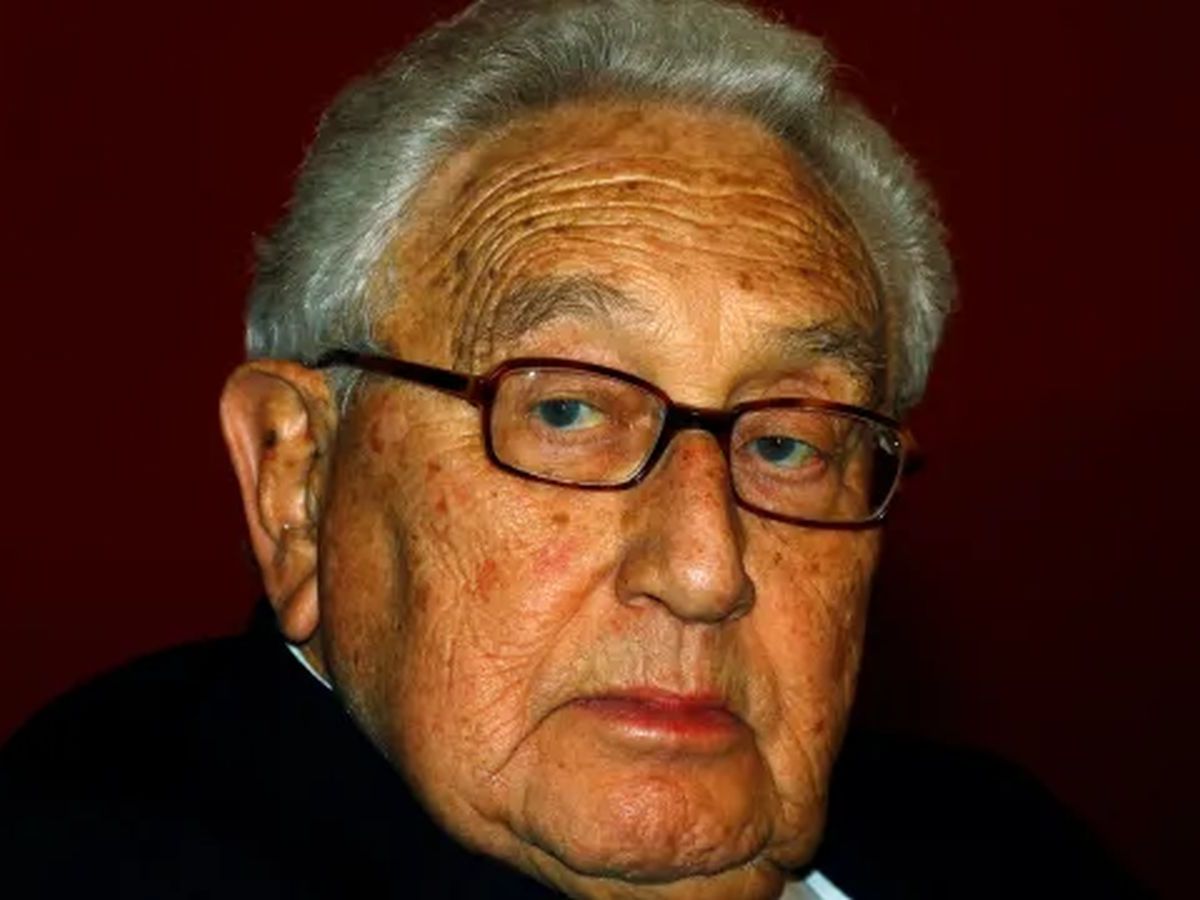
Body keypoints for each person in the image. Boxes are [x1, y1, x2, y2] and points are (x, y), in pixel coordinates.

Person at [0, 1, 1148, 897]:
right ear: (295, 481)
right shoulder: (84, 860)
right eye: (565, 413)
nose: (704, 568)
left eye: (789, 442)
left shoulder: (1004, 847)